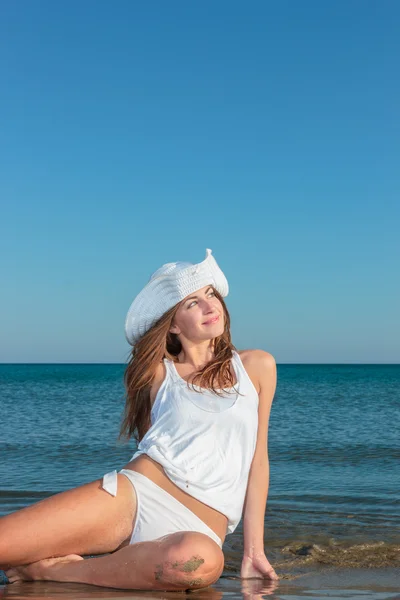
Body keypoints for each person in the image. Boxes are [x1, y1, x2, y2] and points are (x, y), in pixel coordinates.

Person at [1, 248, 278, 591]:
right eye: (192, 302)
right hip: (133, 497)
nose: (210, 306)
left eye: (210, 294)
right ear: (173, 324)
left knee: (197, 564)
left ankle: (51, 572)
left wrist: (254, 550)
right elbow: (149, 440)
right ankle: (105, 560)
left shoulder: (256, 366)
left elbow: (258, 460)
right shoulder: (156, 374)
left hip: (197, 529)